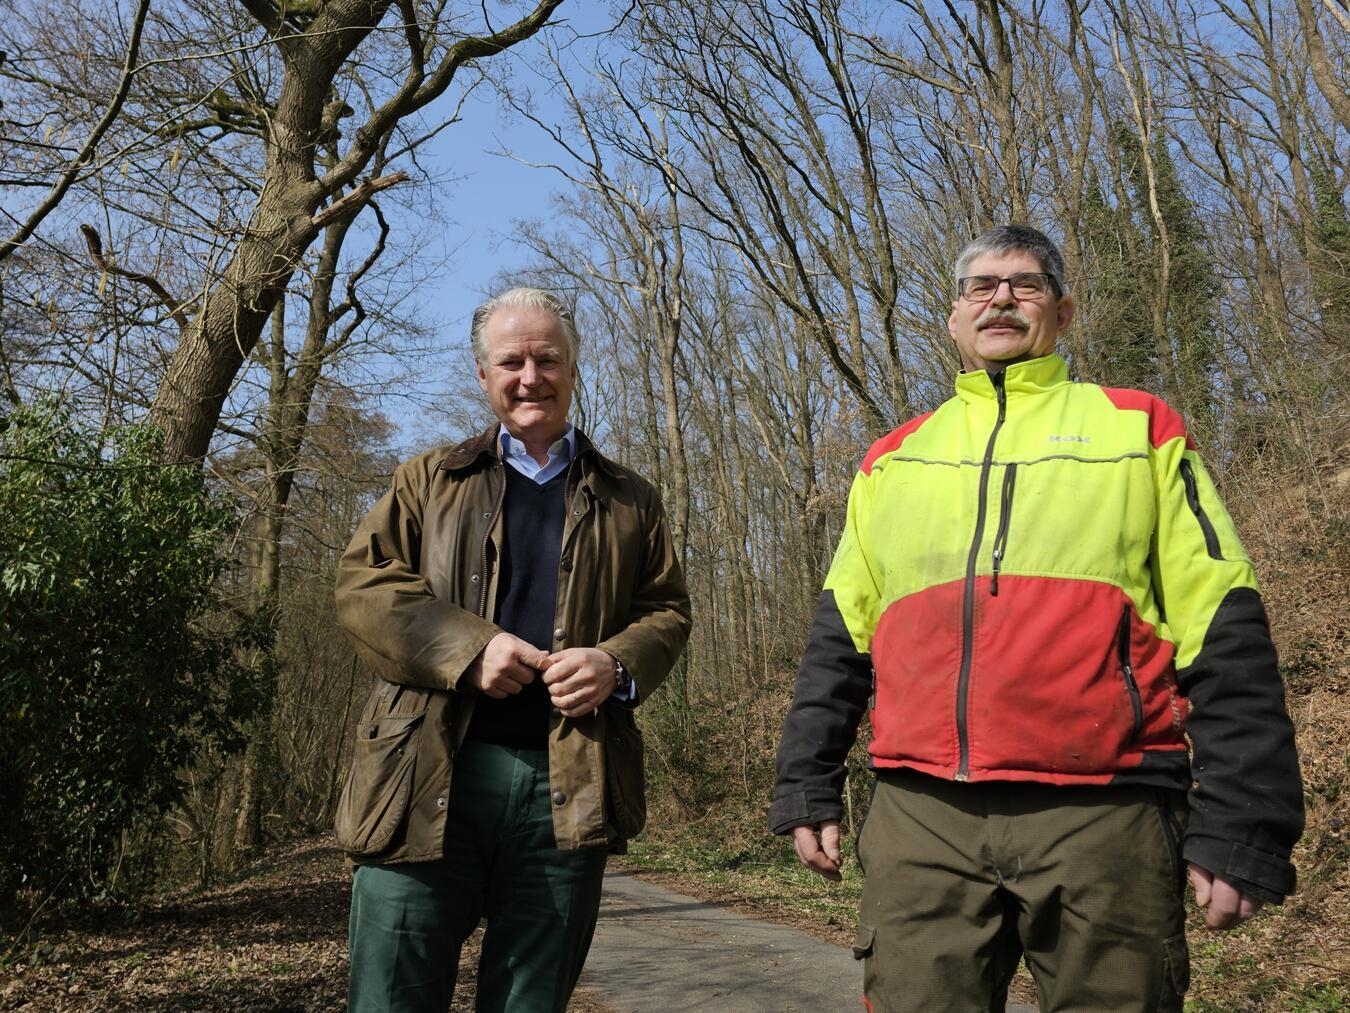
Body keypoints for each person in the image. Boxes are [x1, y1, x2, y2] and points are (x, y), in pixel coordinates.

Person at [769, 225, 1303, 1012]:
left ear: (1065, 311)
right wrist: (804, 781)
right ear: (953, 317)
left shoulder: (1142, 430)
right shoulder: (890, 461)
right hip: (923, 815)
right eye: (980, 285)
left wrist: (1246, 817)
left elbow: (1224, 624)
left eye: (1026, 283)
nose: (1002, 297)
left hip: (1106, 811)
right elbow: (840, 640)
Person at [333, 287, 691, 1013]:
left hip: (565, 786)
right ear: (482, 374)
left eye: (547, 358)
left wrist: (615, 664)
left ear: (573, 366)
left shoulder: (630, 498)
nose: (531, 376)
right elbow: (361, 588)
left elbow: (666, 609)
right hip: (422, 775)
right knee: (390, 997)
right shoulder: (427, 481)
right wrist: (468, 650)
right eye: (512, 361)